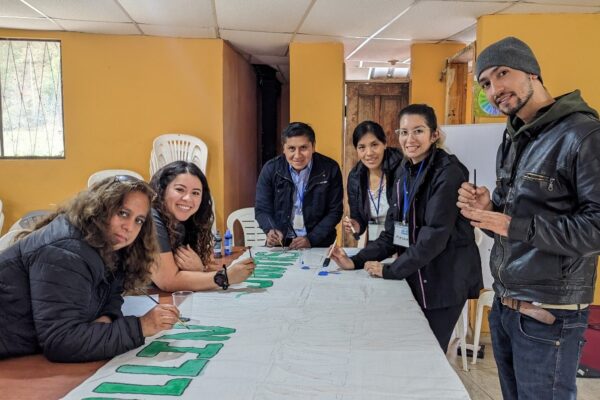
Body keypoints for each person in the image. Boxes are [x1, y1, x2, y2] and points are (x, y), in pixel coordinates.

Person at [457, 37, 600, 399]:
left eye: (503, 73)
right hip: (507, 306)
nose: (495, 89)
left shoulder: (583, 134)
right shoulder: (515, 137)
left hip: (548, 311)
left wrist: (510, 224)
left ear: (532, 73)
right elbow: (514, 222)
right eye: (486, 83)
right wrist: (489, 210)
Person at [332, 104, 482, 352]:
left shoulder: (448, 172)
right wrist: (357, 260)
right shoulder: (403, 171)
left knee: (428, 353)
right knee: (409, 348)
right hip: (417, 273)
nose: (409, 139)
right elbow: (393, 232)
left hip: (444, 279)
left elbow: (434, 237)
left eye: (418, 131)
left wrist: (391, 270)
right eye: (403, 132)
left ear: (434, 135)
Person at [0, 175, 179, 362]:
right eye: (123, 213)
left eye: (139, 220)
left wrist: (104, 321)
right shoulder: (65, 251)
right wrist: (141, 326)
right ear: (99, 208)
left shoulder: (109, 246)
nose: (129, 227)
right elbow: (61, 342)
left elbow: (110, 299)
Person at [149, 161, 255, 292]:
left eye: (195, 193)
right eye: (180, 189)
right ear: (162, 190)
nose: (188, 198)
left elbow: (186, 268)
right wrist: (226, 277)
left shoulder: (183, 220)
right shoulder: (150, 219)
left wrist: (201, 269)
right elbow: (169, 281)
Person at [255, 122, 343, 249]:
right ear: (284, 149)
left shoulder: (330, 169)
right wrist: (271, 230)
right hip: (281, 244)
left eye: (303, 148)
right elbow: (262, 209)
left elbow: (335, 211)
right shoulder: (271, 169)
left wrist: (311, 239)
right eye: (291, 149)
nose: (297, 155)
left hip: (319, 244)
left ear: (313, 147)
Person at [344, 120, 402, 242]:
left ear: (385, 144)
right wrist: (356, 225)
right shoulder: (355, 177)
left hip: (402, 241)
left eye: (374, 145)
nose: (369, 153)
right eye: (362, 147)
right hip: (375, 243)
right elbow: (358, 218)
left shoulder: (402, 168)